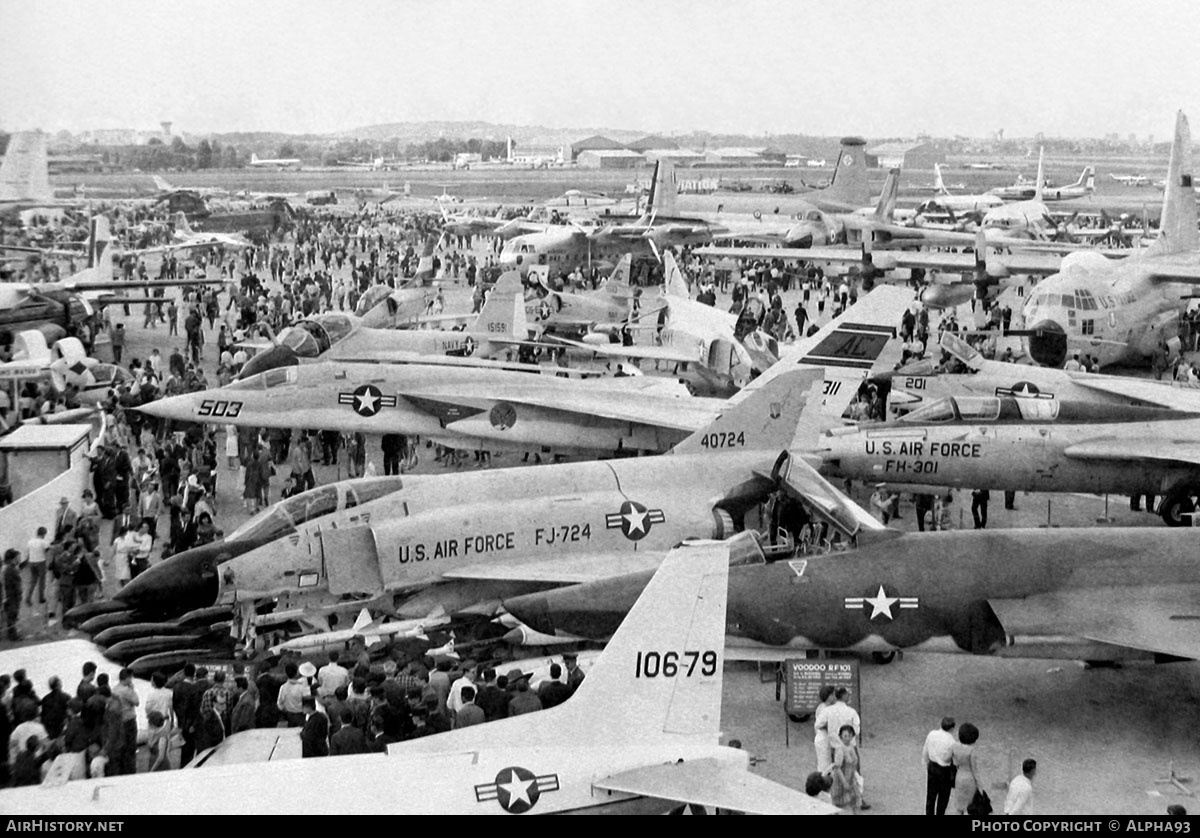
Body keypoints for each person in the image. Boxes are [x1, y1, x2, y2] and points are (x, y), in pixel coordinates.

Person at [923, 716, 958, 816]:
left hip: (932, 766)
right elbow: (953, 759)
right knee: (943, 797)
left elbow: (926, 749)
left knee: (930, 796)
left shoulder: (932, 734)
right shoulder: (952, 742)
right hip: (944, 770)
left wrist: (926, 762)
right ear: (952, 728)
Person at [830, 724, 861, 813]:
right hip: (841, 780)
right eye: (845, 736)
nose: (847, 738)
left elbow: (854, 764)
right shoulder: (840, 749)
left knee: (855, 800)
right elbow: (838, 768)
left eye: (849, 735)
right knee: (840, 804)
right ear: (841, 737)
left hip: (851, 779)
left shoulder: (851, 747)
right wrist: (844, 783)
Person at [952, 722, 981, 815]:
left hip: (959, 776)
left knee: (959, 807)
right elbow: (974, 769)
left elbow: (955, 763)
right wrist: (980, 786)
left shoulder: (955, 746)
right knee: (971, 806)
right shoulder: (972, 750)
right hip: (969, 778)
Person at [813, 684, 836, 773]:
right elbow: (824, 725)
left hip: (822, 737)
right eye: (833, 695)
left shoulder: (822, 707)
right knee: (825, 765)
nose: (835, 697)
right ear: (829, 696)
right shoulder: (824, 709)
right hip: (824, 739)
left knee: (827, 764)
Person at [2, 549, 21, 640]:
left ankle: (12, 633)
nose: (19, 559)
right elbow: (9, 585)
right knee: (12, 615)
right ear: (13, 559)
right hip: (11, 596)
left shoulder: (11, 568)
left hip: (12, 596)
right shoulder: (10, 570)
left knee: (12, 615)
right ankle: (12, 635)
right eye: (18, 557)